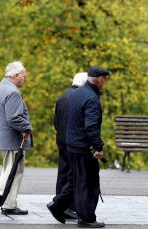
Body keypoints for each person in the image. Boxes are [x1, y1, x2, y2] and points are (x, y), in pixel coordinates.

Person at [47, 65, 110, 228]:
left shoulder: (76, 94)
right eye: (105, 80)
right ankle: (87, 218)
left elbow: (68, 119)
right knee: (89, 183)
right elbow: (91, 126)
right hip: (83, 148)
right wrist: (98, 147)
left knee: (75, 181)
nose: (105, 83)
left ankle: (58, 205)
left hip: (72, 146)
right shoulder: (92, 98)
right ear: (100, 79)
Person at [0, 61, 33, 215]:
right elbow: (14, 118)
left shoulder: (0, 88)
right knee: (16, 170)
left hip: (3, 138)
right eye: (24, 76)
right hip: (12, 139)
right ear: (16, 75)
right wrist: (27, 127)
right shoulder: (12, 91)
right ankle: (8, 204)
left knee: (9, 169)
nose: (25, 79)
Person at [54, 72, 87, 219]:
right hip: (73, 142)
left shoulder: (62, 96)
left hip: (61, 138)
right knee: (74, 175)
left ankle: (59, 204)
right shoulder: (79, 97)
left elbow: (56, 120)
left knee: (63, 173)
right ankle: (69, 207)